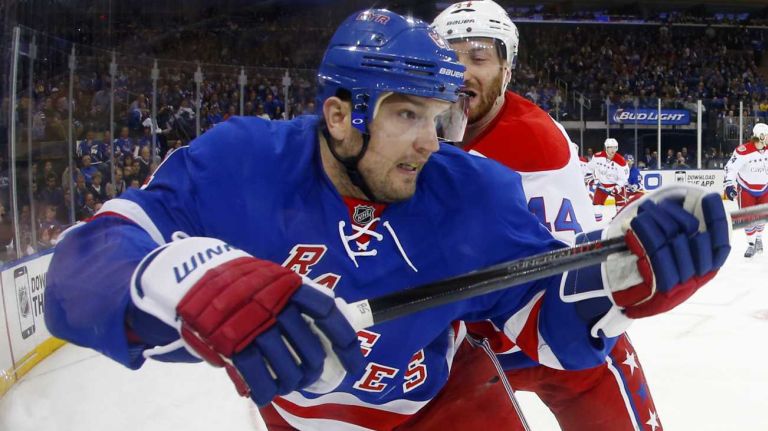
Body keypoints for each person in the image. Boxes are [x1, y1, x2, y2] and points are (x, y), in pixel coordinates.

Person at [45, 9, 730, 431]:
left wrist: (620, 280)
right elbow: (80, 273)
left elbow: (548, 328)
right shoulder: (240, 162)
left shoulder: (471, 191)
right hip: (299, 418)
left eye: (439, 117)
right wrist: (182, 275)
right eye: (407, 114)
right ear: (340, 115)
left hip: (444, 407)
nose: (431, 142)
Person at [432, 2, 660, 430]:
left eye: (478, 57)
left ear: (507, 69)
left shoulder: (532, 141)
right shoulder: (412, 128)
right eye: (449, 56)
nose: (461, 71)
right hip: (465, 351)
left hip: (551, 333)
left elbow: (554, 283)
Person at [724, 122, 768, 258]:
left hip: (765, 188)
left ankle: (759, 238)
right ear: (760, 136)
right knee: (747, 218)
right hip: (746, 189)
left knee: (762, 216)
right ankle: (751, 244)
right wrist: (729, 185)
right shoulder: (743, 151)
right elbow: (730, 168)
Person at [587, 138, 629, 222]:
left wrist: (617, 187)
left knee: (621, 209)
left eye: (615, 147)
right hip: (602, 185)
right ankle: (598, 224)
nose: (613, 150)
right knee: (596, 209)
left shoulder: (621, 161)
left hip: (616, 186)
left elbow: (624, 178)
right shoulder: (597, 156)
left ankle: (619, 221)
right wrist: (591, 178)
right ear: (606, 148)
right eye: (610, 147)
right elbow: (590, 168)